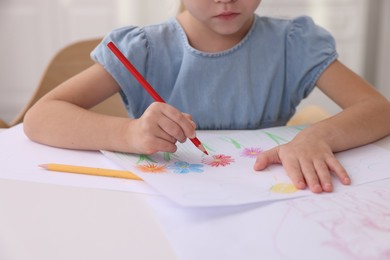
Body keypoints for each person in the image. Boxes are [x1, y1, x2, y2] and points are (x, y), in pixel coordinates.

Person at [24, 0, 390, 194]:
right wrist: (130, 134)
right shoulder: (143, 49)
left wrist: (316, 135)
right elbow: (42, 118)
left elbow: (378, 110)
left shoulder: (293, 43)